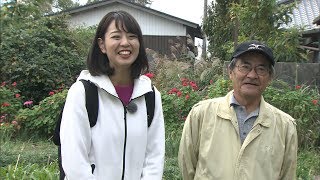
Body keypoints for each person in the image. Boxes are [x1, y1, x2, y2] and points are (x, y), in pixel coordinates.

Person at [60, 11, 165, 180]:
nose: (125, 43)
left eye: (132, 36)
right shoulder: (83, 93)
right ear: (102, 45)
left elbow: (154, 157)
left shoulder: (150, 96)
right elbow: (75, 162)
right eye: (116, 37)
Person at [178, 40, 298, 180]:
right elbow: (187, 166)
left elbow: (287, 175)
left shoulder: (285, 126)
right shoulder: (202, 114)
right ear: (230, 72)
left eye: (261, 69)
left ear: (270, 77)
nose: (252, 75)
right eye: (245, 66)